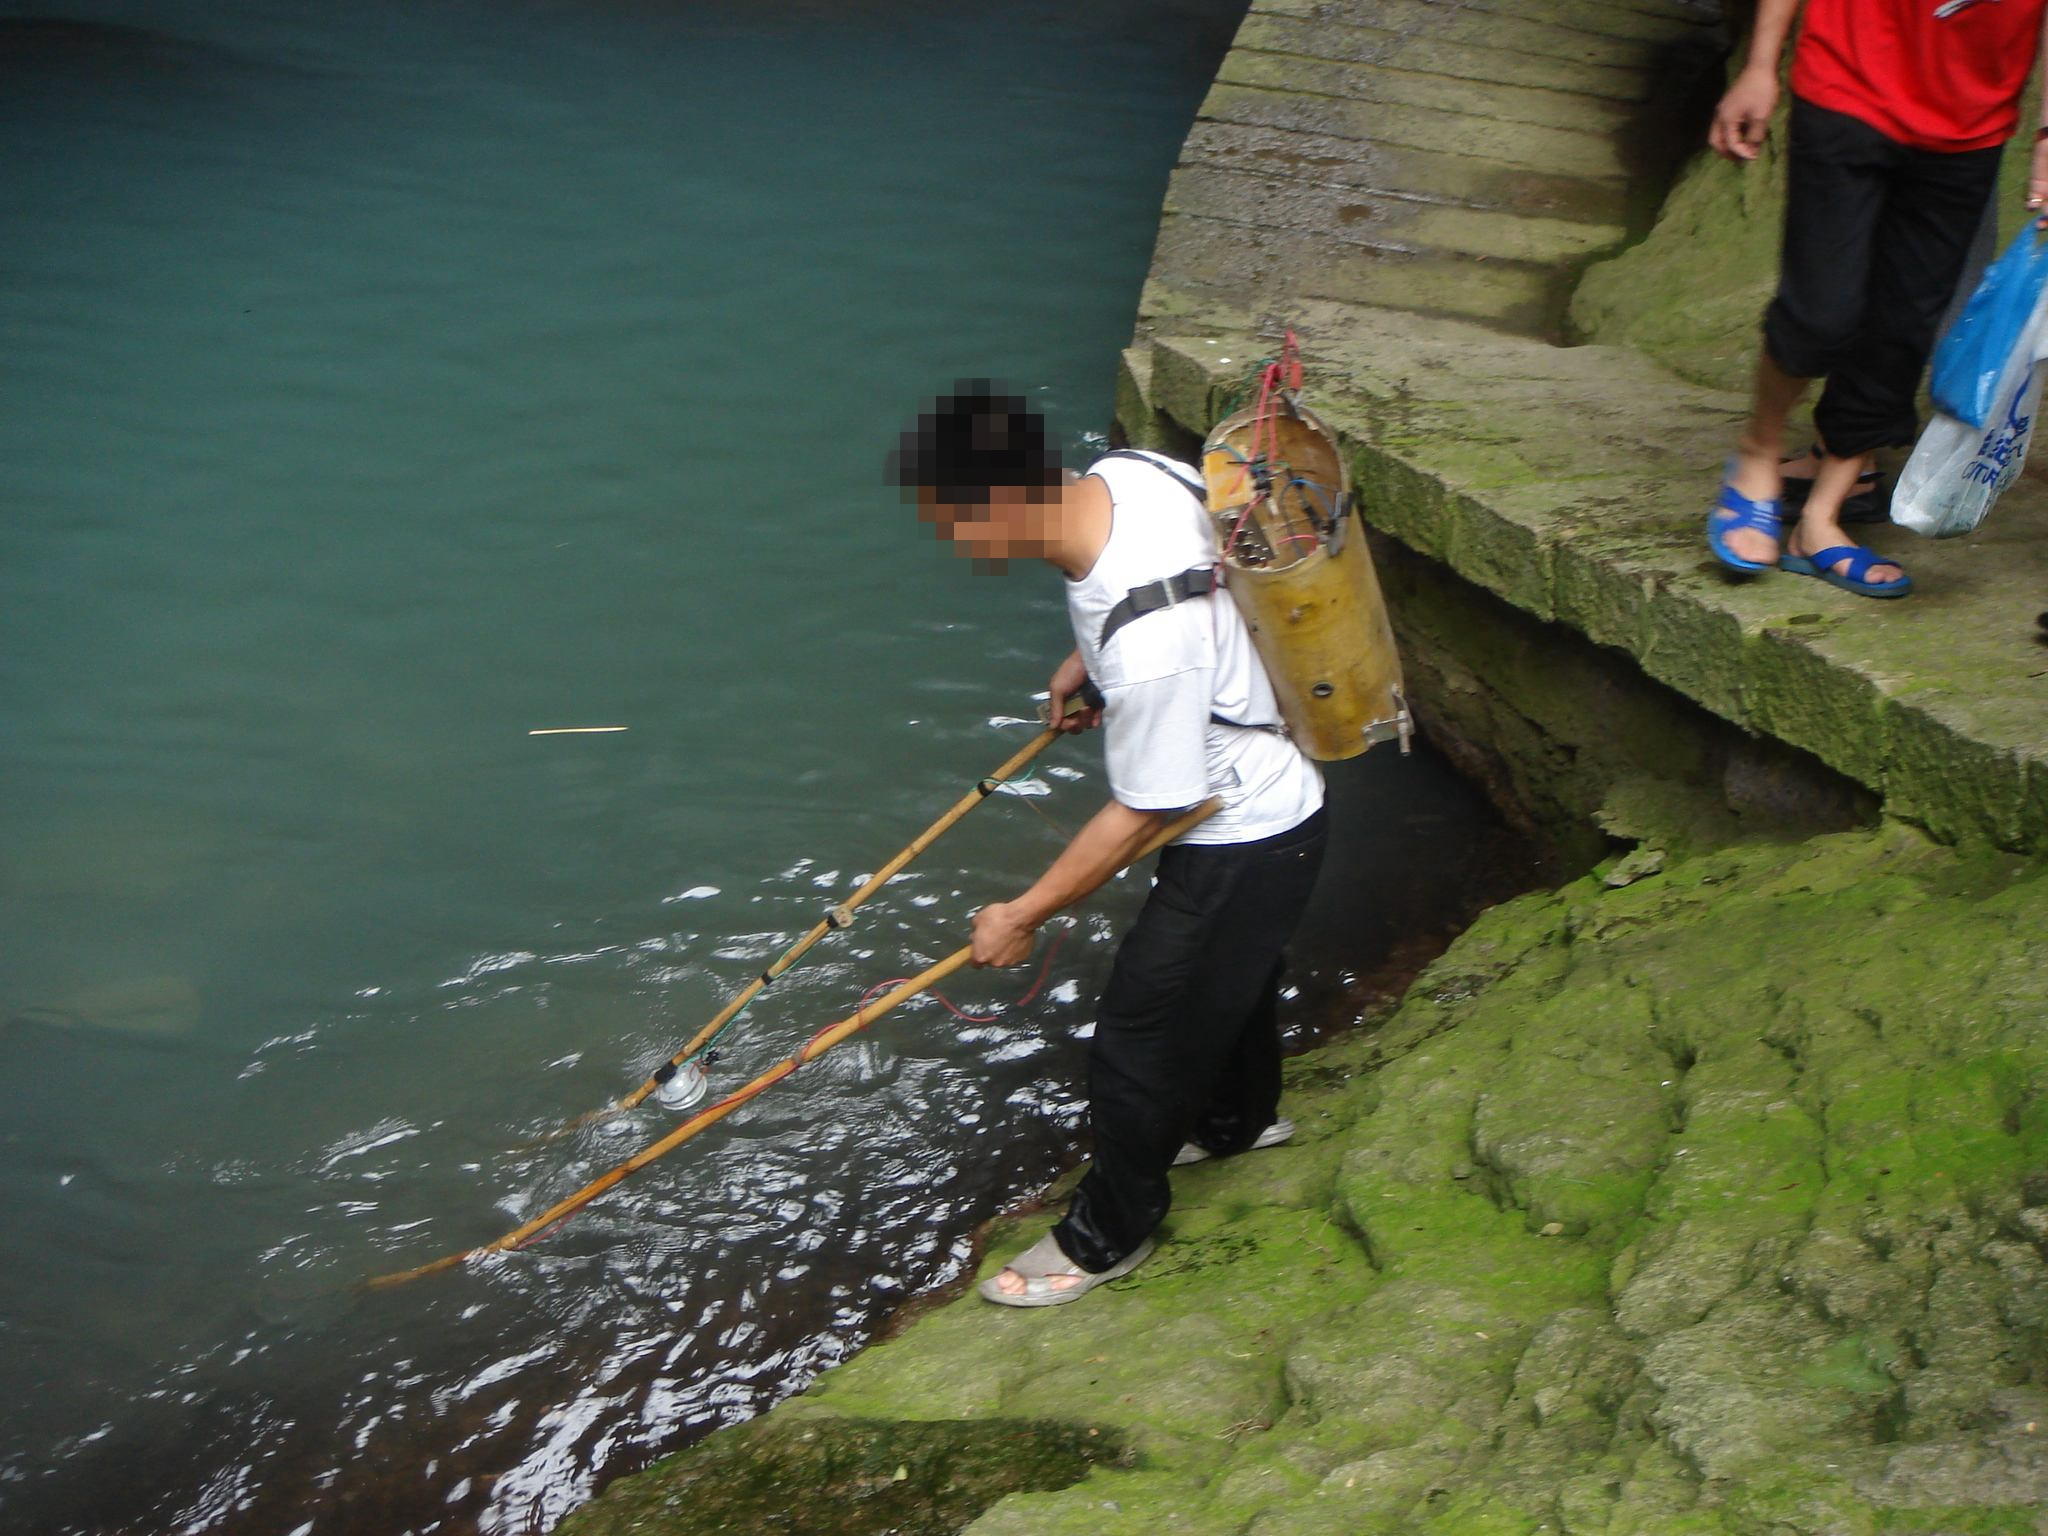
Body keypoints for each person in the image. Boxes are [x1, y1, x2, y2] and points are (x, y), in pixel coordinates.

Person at [888, 383, 1327, 1307]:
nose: (951, 545)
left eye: (951, 524)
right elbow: (1187, 577)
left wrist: (1020, 914)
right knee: (1225, 980)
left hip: (1244, 828)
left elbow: (1144, 811)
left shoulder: (1150, 641)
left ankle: (1108, 1235)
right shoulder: (1134, 477)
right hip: (1270, 797)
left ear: (1002, 506)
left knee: (1138, 1033)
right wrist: (1090, 662)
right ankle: (1237, 1124)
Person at [1705, 0, 2048, 599]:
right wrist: (1761, 65)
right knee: (1820, 313)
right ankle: (1757, 451)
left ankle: (1820, 520)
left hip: (1969, 122)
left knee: (1901, 328)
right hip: (1847, 85)